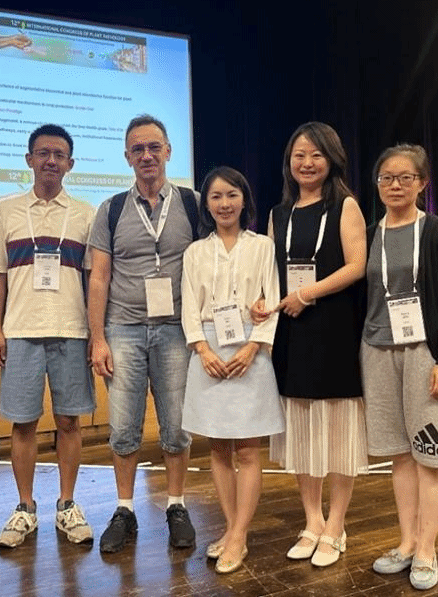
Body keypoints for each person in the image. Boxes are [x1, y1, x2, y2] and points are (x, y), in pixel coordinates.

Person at [252, 121, 367, 567]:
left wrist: (306, 293)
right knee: (299, 427)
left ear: (332, 159)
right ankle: (312, 521)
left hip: (335, 329)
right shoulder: (278, 214)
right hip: (293, 333)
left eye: (316, 154)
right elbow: (271, 271)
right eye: (299, 155)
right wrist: (264, 301)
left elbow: (356, 265)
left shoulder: (346, 206)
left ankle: (336, 525)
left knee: (338, 430)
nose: (307, 163)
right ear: (289, 162)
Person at [89, 114, 198, 554]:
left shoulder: (192, 204)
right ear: (127, 156)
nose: (147, 155)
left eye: (154, 147)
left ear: (169, 151)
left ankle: (176, 505)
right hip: (124, 330)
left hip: (177, 330)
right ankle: (124, 509)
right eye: (138, 149)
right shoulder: (111, 209)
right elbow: (98, 277)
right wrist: (98, 338)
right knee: (123, 428)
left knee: (177, 427)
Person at [0, 124, 96, 548]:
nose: (51, 160)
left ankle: (67, 504)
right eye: (43, 153)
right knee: (23, 423)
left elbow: (95, 279)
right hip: (20, 331)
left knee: (69, 421)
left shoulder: (86, 213)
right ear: (29, 159)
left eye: (59, 154)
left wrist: (95, 333)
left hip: (72, 331)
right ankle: (25, 507)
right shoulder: (5, 211)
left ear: (70, 163)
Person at [361, 144, 438, 590]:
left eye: (405, 177)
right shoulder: (369, 233)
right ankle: (406, 543)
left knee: (431, 456)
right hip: (377, 351)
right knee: (401, 455)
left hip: (425, 353)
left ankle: (427, 549)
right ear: (377, 184)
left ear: (422, 183)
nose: (395, 185)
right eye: (387, 177)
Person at [180, 166, 284, 574]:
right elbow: (189, 306)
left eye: (232, 195)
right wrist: (203, 350)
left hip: (250, 349)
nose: (224, 204)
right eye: (216, 196)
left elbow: (272, 299)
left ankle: (239, 535)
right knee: (218, 448)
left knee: (248, 449)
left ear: (245, 200)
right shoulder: (194, 252)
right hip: (207, 350)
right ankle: (230, 528)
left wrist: (254, 346)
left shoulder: (262, 246)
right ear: (206, 204)